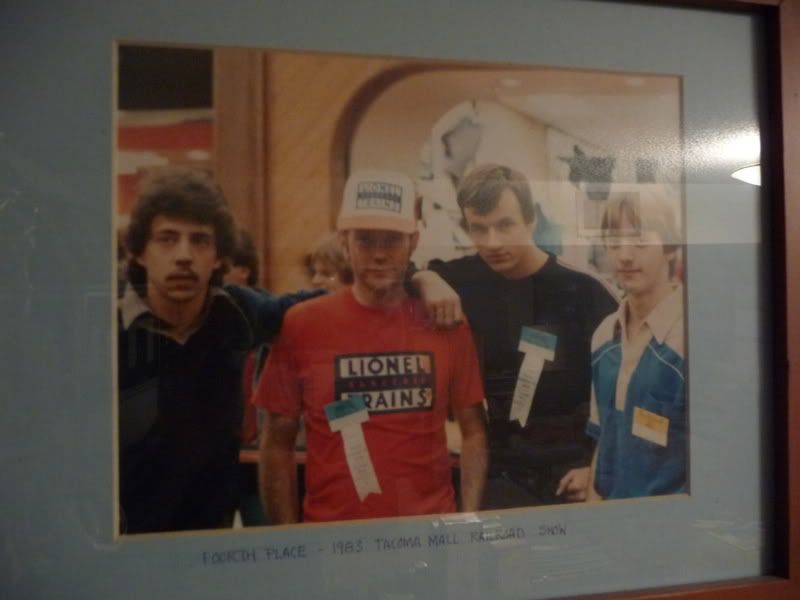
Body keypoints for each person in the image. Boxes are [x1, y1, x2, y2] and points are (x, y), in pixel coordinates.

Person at [255, 169, 488, 524]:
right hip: (332, 535)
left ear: (413, 241)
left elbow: (473, 432)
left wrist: (467, 522)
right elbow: (276, 442)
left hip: (429, 531)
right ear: (344, 241)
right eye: (365, 240)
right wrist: (288, 539)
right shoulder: (303, 324)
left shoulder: (445, 322)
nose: (379, 254)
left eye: (392, 240)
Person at [117, 166, 319, 534]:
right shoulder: (105, 326)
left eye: (200, 241)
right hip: (125, 542)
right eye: (167, 239)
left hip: (212, 540)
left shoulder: (236, 311)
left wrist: (418, 280)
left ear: (218, 256)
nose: (184, 255)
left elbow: (320, 307)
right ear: (140, 252)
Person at [412, 164, 618, 507]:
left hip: (571, 476)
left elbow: (622, 397)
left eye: (505, 226)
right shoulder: (461, 279)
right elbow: (398, 274)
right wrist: (424, 280)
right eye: (479, 229)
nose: (492, 242)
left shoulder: (585, 292)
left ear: (531, 220)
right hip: (499, 476)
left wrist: (595, 468)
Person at [586, 189, 686, 500]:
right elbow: (603, 442)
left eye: (639, 241)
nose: (625, 256)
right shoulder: (604, 336)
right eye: (614, 242)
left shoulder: (690, 338)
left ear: (669, 246)